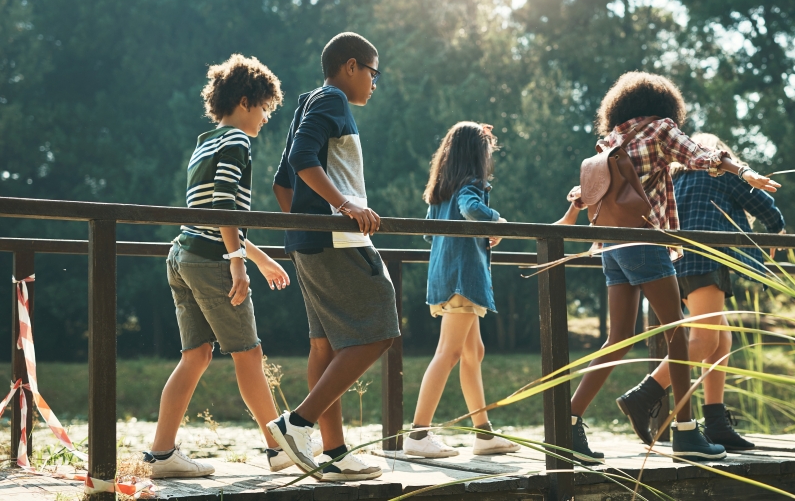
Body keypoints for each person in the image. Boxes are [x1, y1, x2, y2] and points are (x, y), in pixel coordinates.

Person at [556, 72, 780, 463]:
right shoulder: (661, 130)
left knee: (618, 337)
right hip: (645, 242)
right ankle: (686, 434)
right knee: (678, 334)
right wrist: (744, 172)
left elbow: (588, 193)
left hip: (611, 246)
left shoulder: (610, 140)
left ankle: (567, 422)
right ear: (665, 105)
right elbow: (703, 156)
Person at [144, 54, 292, 478]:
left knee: (196, 355)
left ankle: (162, 455)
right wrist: (237, 264)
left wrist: (257, 258)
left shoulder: (204, 142)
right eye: (264, 108)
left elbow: (211, 216)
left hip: (183, 254)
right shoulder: (238, 142)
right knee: (249, 353)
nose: (265, 118)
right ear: (246, 101)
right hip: (211, 261)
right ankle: (278, 448)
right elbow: (226, 205)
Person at [269, 32, 398, 482]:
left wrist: (303, 226)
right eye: (373, 72)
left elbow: (281, 182)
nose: (374, 84)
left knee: (325, 344)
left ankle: (336, 451)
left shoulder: (309, 102)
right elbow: (303, 160)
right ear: (350, 66)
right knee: (380, 326)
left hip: (310, 241)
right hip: (338, 240)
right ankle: (298, 423)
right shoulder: (332, 101)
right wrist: (345, 207)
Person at [625, 133, 785, 452]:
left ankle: (715, 424)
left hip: (676, 262)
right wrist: (777, 228)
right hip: (705, 258)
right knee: (705, 339)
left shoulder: (676, 177)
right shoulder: (720, 170)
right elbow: (760, 201)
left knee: (721, 338)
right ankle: (642, 397)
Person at [402, 122, 522, 459]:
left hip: (445, 275)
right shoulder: (471, 185)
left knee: (474, 353)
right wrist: (497, 222)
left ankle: (483, 434)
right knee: (449, 353)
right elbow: (472, 209)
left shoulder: (442, 189)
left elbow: (430, 231)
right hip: (463, 278)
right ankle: (418, 433)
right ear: (476, 155)